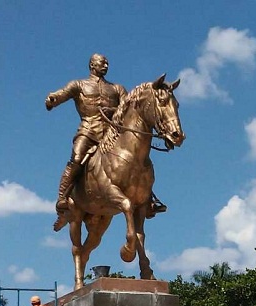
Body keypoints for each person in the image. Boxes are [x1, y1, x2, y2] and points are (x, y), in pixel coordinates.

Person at [45, 53, 167, 230]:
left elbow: (128, 107)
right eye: (102, 62)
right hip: (88, 131)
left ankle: (148, 200)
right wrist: (53, 99)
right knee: (77, 157)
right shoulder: (79, 85)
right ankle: (63, 198)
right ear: (92, 65)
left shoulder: (117, 88)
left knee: (137, 161)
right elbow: (62, 94)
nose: (106, 65)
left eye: (107, 63)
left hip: (112, 134)